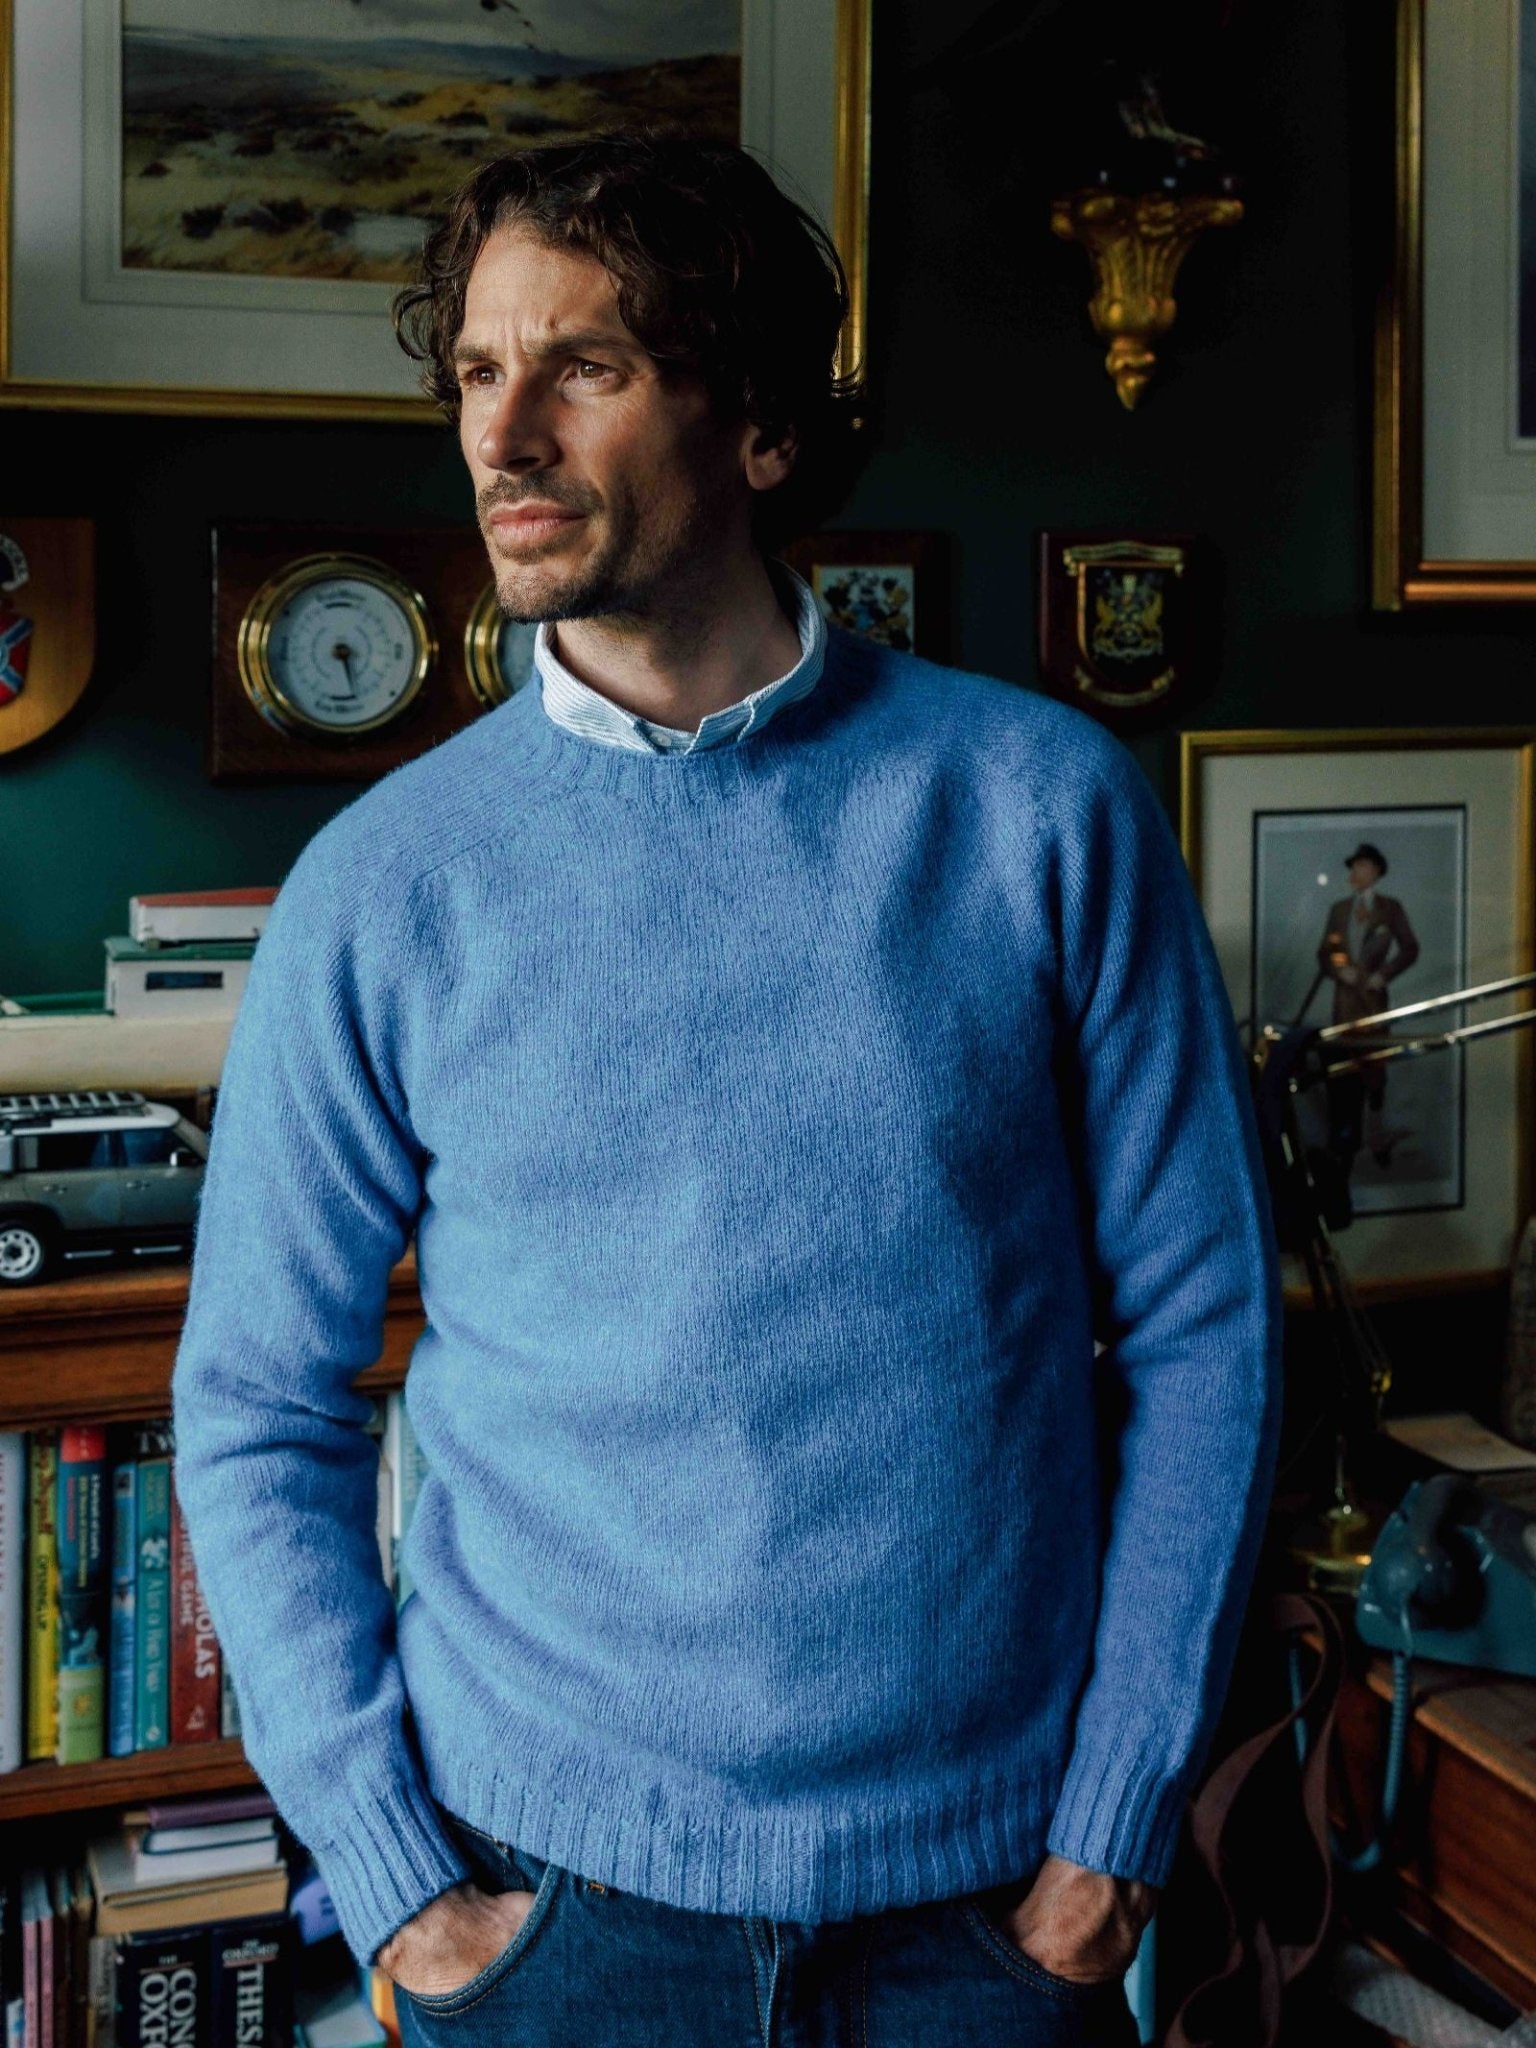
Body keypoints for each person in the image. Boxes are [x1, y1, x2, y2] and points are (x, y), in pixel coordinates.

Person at [171, 135, 1283, 2048]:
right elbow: (256, 1398)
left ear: (759, 427)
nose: (502, 431)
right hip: (551, 1920)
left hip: (983, 1922)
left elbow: (1204, 1332)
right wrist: (398, 1882)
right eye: (473, 371)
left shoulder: (1039, 812)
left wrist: (1110, 1841)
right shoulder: (387, 882)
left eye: (581, 366)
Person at [1316, 842, 1421, 1172]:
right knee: (1344, 1071)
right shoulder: (1339, 910)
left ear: (1375, 870)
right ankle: (1345, 1146)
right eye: (1353, 867)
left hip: (1373, 1003)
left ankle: (1377, 1138)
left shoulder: (1391, 908)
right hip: (1345, 1002)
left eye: (1361, 867)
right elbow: (1327, 951)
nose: (1354, 873)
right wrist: (1339, 968)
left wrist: (1383, 975)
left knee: (1374, 1072)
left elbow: (1409, 948)